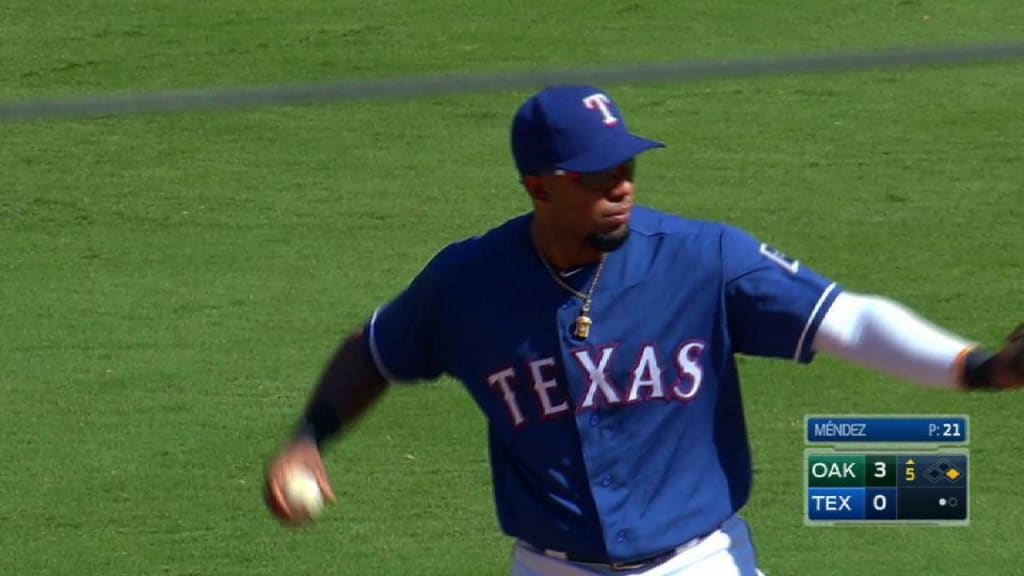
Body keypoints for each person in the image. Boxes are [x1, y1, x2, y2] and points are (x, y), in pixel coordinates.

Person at [263, 85, 1024, 576]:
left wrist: (978, 368)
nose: (621, 185)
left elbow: (845, 319)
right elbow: (373, 351)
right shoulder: (466, 284)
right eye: (595, 176)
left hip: (698, 562)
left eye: (626, 165)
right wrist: (308, 434)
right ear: (539, 186)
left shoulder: (702, 259)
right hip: (550, 566)